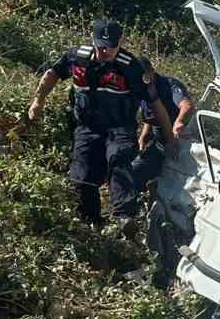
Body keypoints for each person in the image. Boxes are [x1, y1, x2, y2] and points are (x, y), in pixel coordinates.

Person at [28, 18, 171, 227]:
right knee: (81, 176)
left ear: (120, 42)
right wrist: (37, 102)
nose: (105, 52)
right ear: (93, 42)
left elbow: (155, 103)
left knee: (118, 159)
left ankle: (125, 218)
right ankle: (92, 222)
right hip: (87, 127)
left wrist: (170, 138)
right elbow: (52, 74)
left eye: (111, 47)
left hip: (120, 127)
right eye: (101, 47)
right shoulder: (77, 58)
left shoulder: (131, 67)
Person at [130, 69, 194, 192]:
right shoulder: (141, 89)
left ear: (151, 72)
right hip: (159, 145)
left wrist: (179, 122)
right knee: (132, 175)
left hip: (180, 144)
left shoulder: (169, 85)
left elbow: (187, 105)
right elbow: (151, 115)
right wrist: (143, 136)